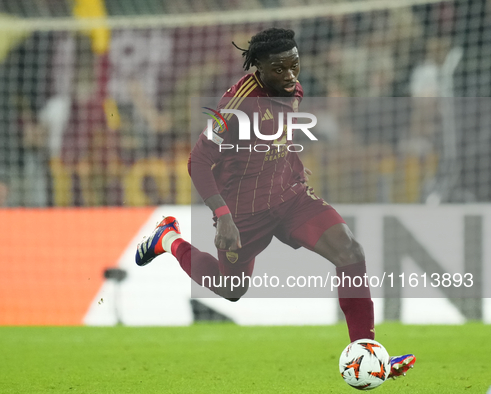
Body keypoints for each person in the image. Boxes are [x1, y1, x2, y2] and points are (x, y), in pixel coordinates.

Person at [135, 28, 414, 380]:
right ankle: (169, 240)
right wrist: (222, 216)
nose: (290, 75)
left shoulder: (294, 89)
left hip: (290, 196)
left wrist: (292, 163)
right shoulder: (234, 105)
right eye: (279, 69)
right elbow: (198, 161)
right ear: (259, 69)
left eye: (294, 65)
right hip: (243, 210)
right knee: (231, 289)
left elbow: (280, 133)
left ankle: (369, 356)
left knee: (351, 253)